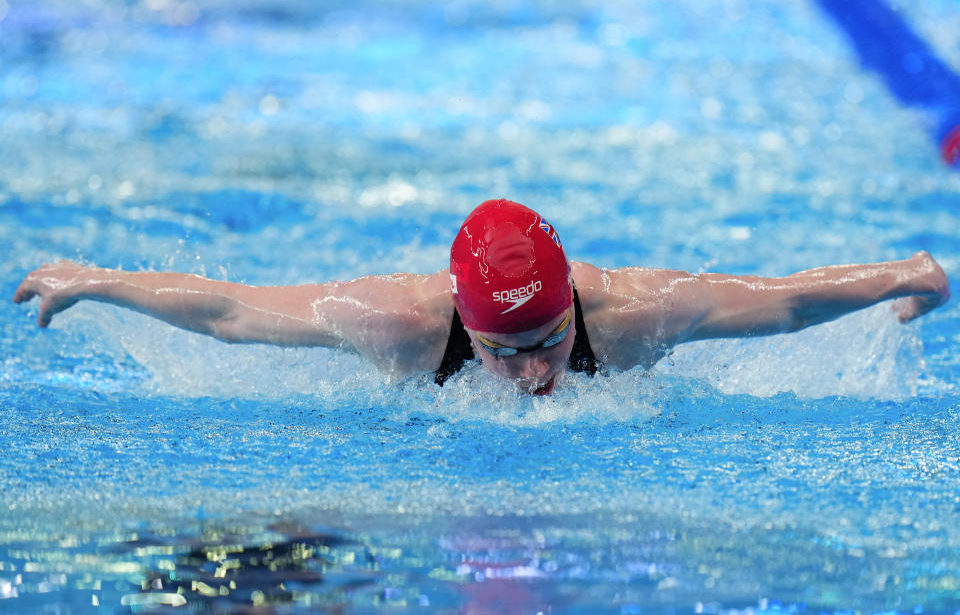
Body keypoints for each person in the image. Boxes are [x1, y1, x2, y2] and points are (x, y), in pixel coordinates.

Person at [13, 199, 950, 395]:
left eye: (548, 339)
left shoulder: (629, 314)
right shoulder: (401, 323)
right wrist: (97, 282)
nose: (539, 368)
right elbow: (231, 312)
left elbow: (782, 301)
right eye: (508, 352)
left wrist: (904, 275)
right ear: (466, 325)